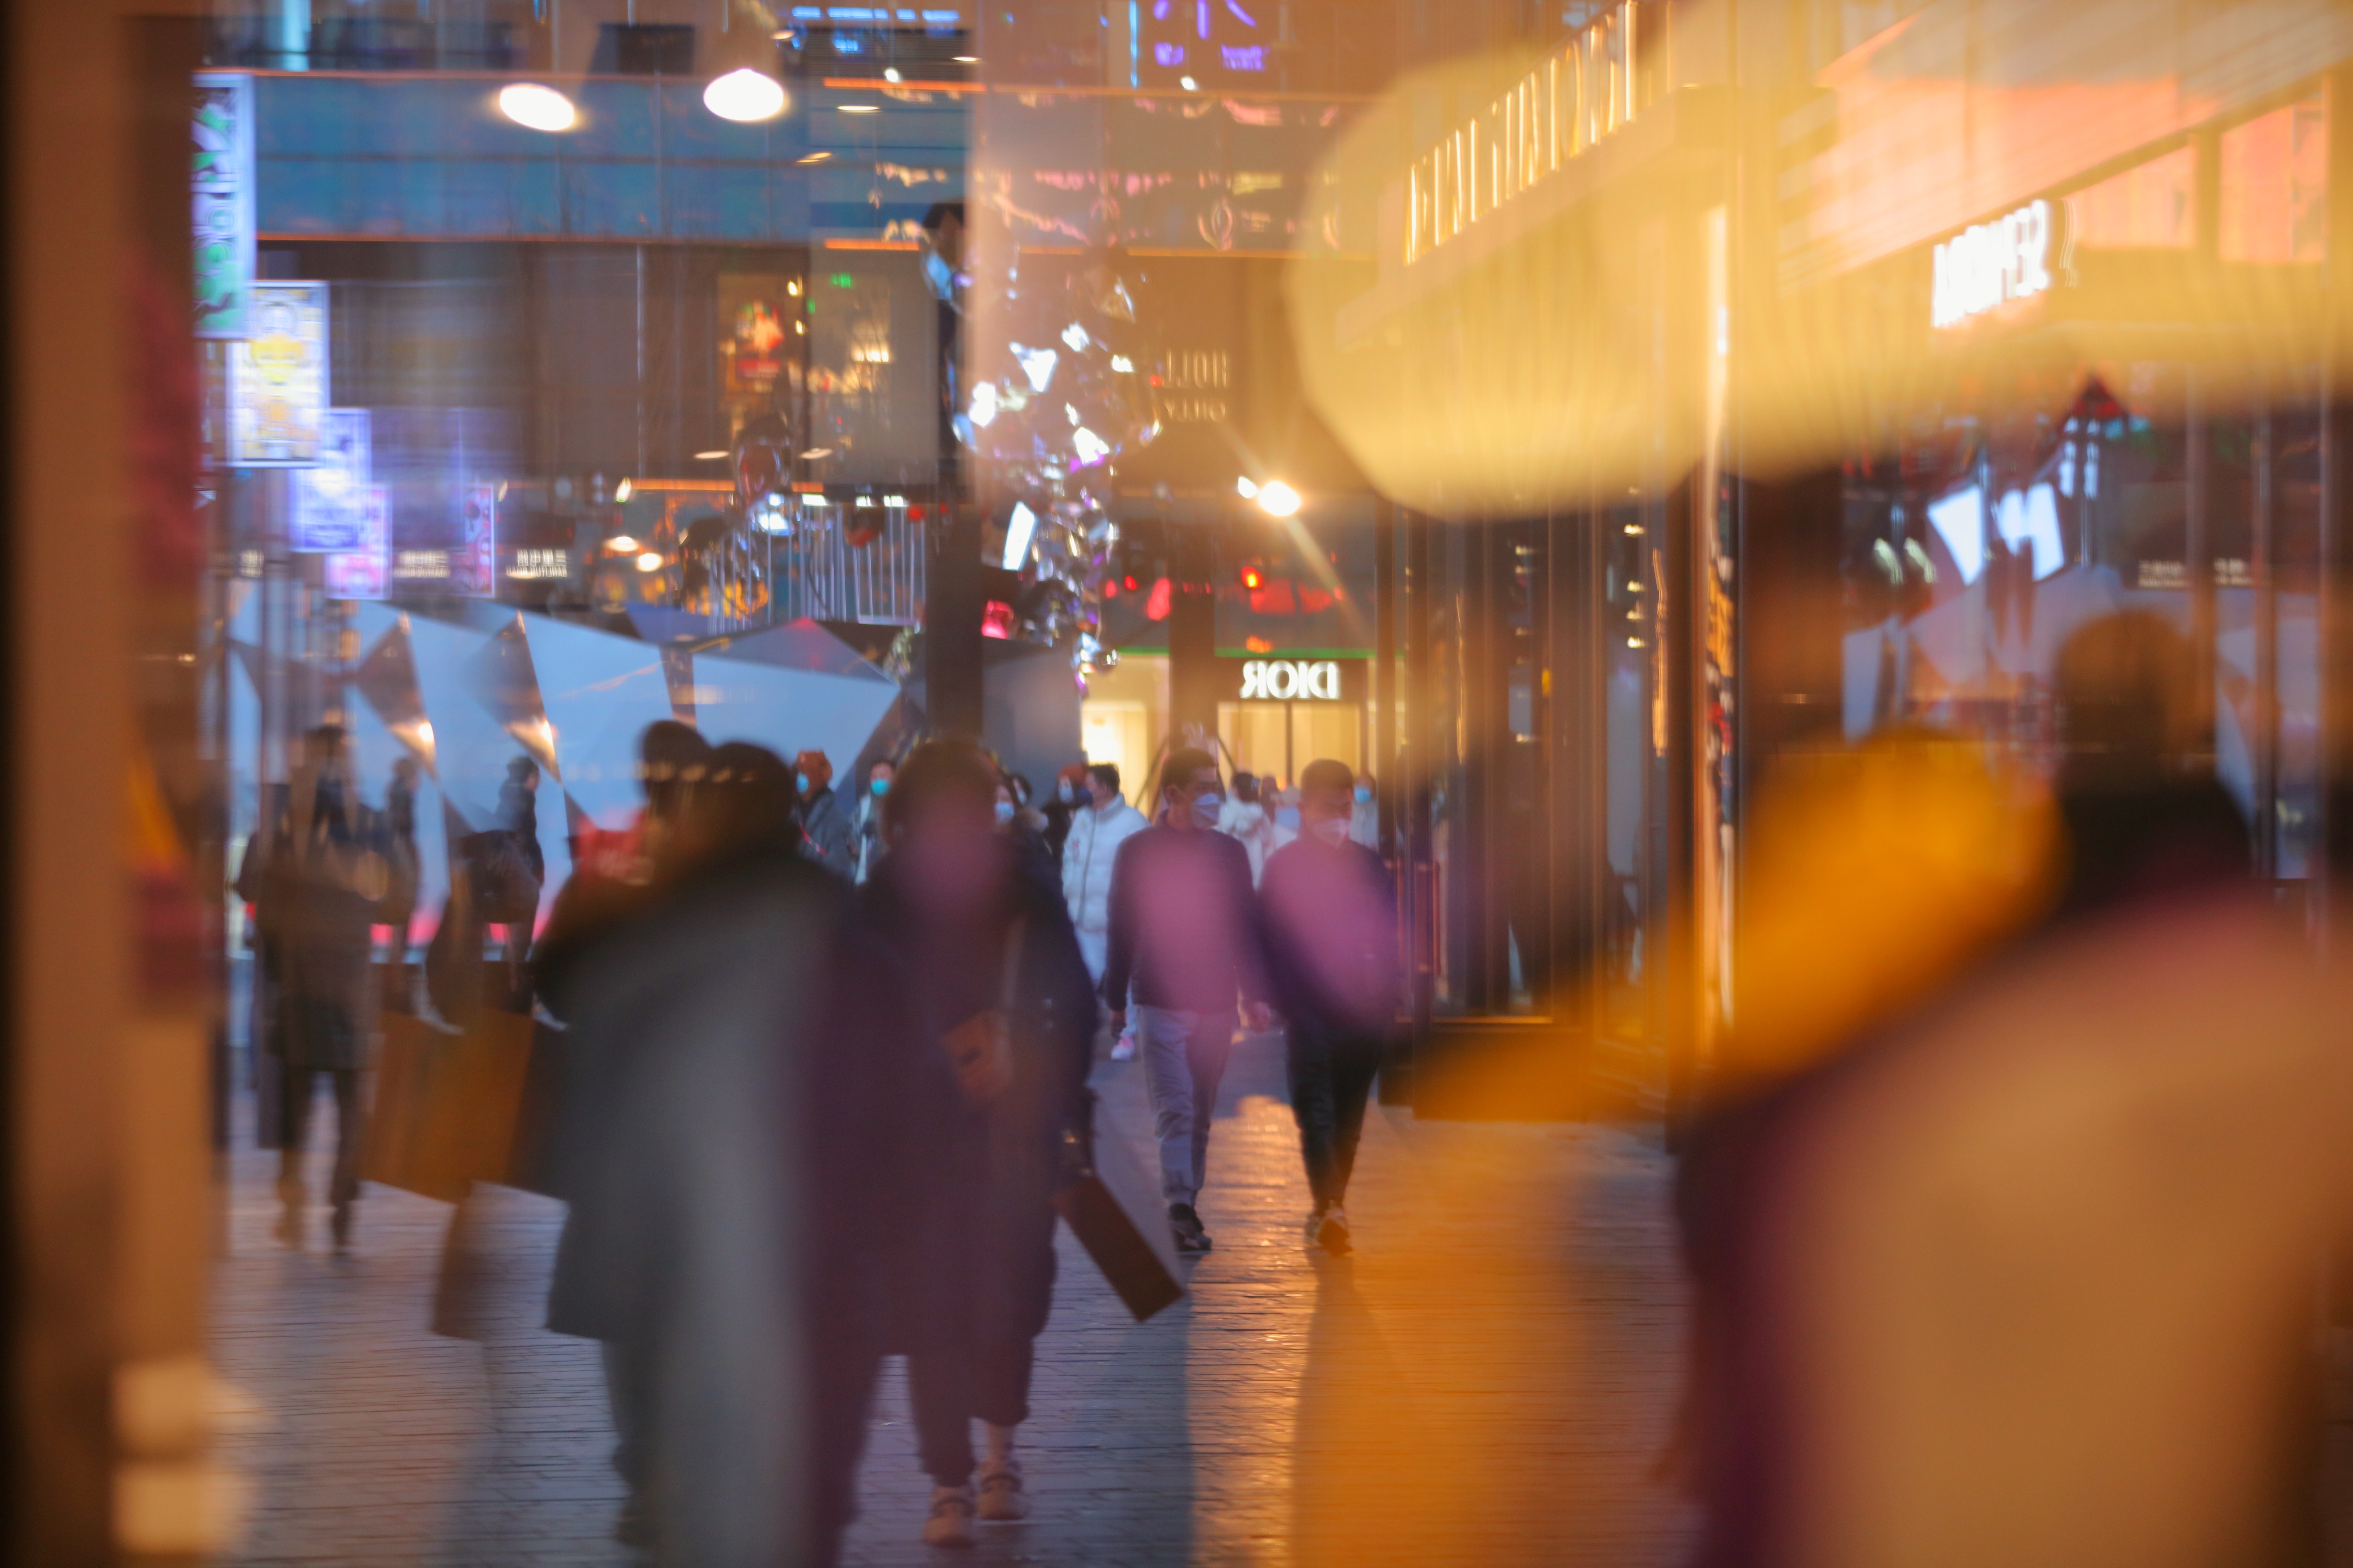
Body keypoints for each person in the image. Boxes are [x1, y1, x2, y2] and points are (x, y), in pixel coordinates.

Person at [537, 732, 931, 1565]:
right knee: (810, 1496)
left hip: (665, 1254)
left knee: (683, 1463)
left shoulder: (646, 928)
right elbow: (916, 1113)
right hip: (828, 1266)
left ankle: (656, 1486)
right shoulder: (850, 938)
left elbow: (562, 995)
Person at [861, 738, 1099, 1548]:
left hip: (918, 1140)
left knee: (931, 1308)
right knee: (1007, 1294)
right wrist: (1048, 1086)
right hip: (1015, 1131)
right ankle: (1000, 1464)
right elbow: (1073, 1004)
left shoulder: (883, 895)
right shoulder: (1025, 883)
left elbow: (855, 1018)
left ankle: (947, 1488)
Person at [1102, 747, 1273, 1255]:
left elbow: (1247, 925)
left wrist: (1255, 994)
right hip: (1159, 999)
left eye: (1215, 785)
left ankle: (1187, 1202)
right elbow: (1122, 926)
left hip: (1217, 1002)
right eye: (1202, 787)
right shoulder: (1139, 852)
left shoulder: (1228, 853)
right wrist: (1117, 1001)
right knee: (1175, 1108)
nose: (1213, 796)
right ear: (1173, 794)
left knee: (1200, 1111)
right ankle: (1178, 1204)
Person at [241, 724, 382, 1253]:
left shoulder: (283, 827)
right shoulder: (368, 825)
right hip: (345, 989)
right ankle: (339, 1209)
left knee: (298, 1107)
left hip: (301, 985)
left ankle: (297, 1199)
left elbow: (248, 882)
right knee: (347, 1112)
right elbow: (399, 894)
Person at [1260, 759, 1401, 1256]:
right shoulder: (1284, 868)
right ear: (1303, 809)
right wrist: (1281, 1002)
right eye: (1329, 807)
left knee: (1348, 1119)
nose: (1340, 817)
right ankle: (1332, 1205)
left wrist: (1388, 999)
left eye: (1347, 807)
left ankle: (1328, 1206)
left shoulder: (1367, 865)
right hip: (1309, 1011)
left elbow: (1391, 935)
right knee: (1315, 1110)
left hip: (1364, 1013)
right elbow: (1267, 941)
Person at [1060, 759, 1147, 989]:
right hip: (1082, 920)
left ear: (1104, 789)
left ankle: (1127, 1025)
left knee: (1125, 984)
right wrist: (1069, 885)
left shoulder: (1133, 822)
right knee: (1085, 983)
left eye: (1088, 785)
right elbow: (1070, 854)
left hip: (1115, 923)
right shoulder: (1083, 818)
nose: (1082, 791)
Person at [797, 749, 856, 879]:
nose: (800, 777)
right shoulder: (794, 811)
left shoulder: (834, 819)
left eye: (805, 772)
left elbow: (838, 867)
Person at [1216, 769, 1277, 886]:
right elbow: (1269, 844)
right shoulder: (1262, 815)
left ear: (1235, 789)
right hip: (1257, 876)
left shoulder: (1224, 814)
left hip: (1230, 877)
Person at [854, 757, 894, 883]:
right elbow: (851, 840)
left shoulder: (906, 806)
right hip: (870, 879)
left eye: (883, 776)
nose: (878, 781)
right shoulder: (863, 808)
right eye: (874, 777)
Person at [1042, 762, 1090, 865]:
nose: (1063, 789)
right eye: (1061, 786)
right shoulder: (1051, 813)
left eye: (1067, 785)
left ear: (1078, 788)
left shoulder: (1090, 813)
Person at [1348, 772, 1380, 850]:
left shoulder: (1381, 810)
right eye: (1359, 785)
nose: (1362, 788)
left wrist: (1379, 846)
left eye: (1366, 785)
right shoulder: (1347, 808)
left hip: (1374, 856)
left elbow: (1397, 841)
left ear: (1373, 789)